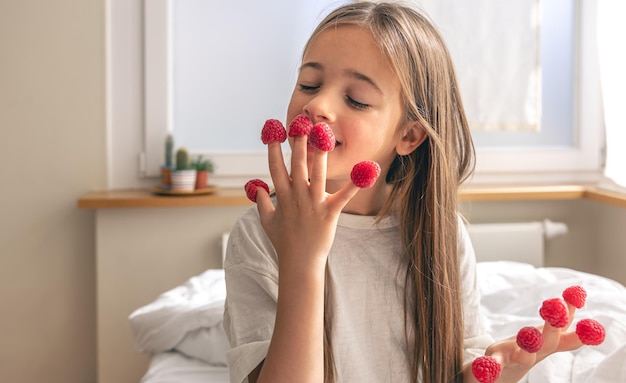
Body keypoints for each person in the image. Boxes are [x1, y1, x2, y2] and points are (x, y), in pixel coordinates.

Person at [223, 2, 585, 382]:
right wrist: (304, 258)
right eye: (309, 85)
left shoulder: (443, 234)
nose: (316, 105)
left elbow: (457, 366)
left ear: (409, 135)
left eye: (356, 99)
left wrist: (500, 371)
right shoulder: (260, 231)